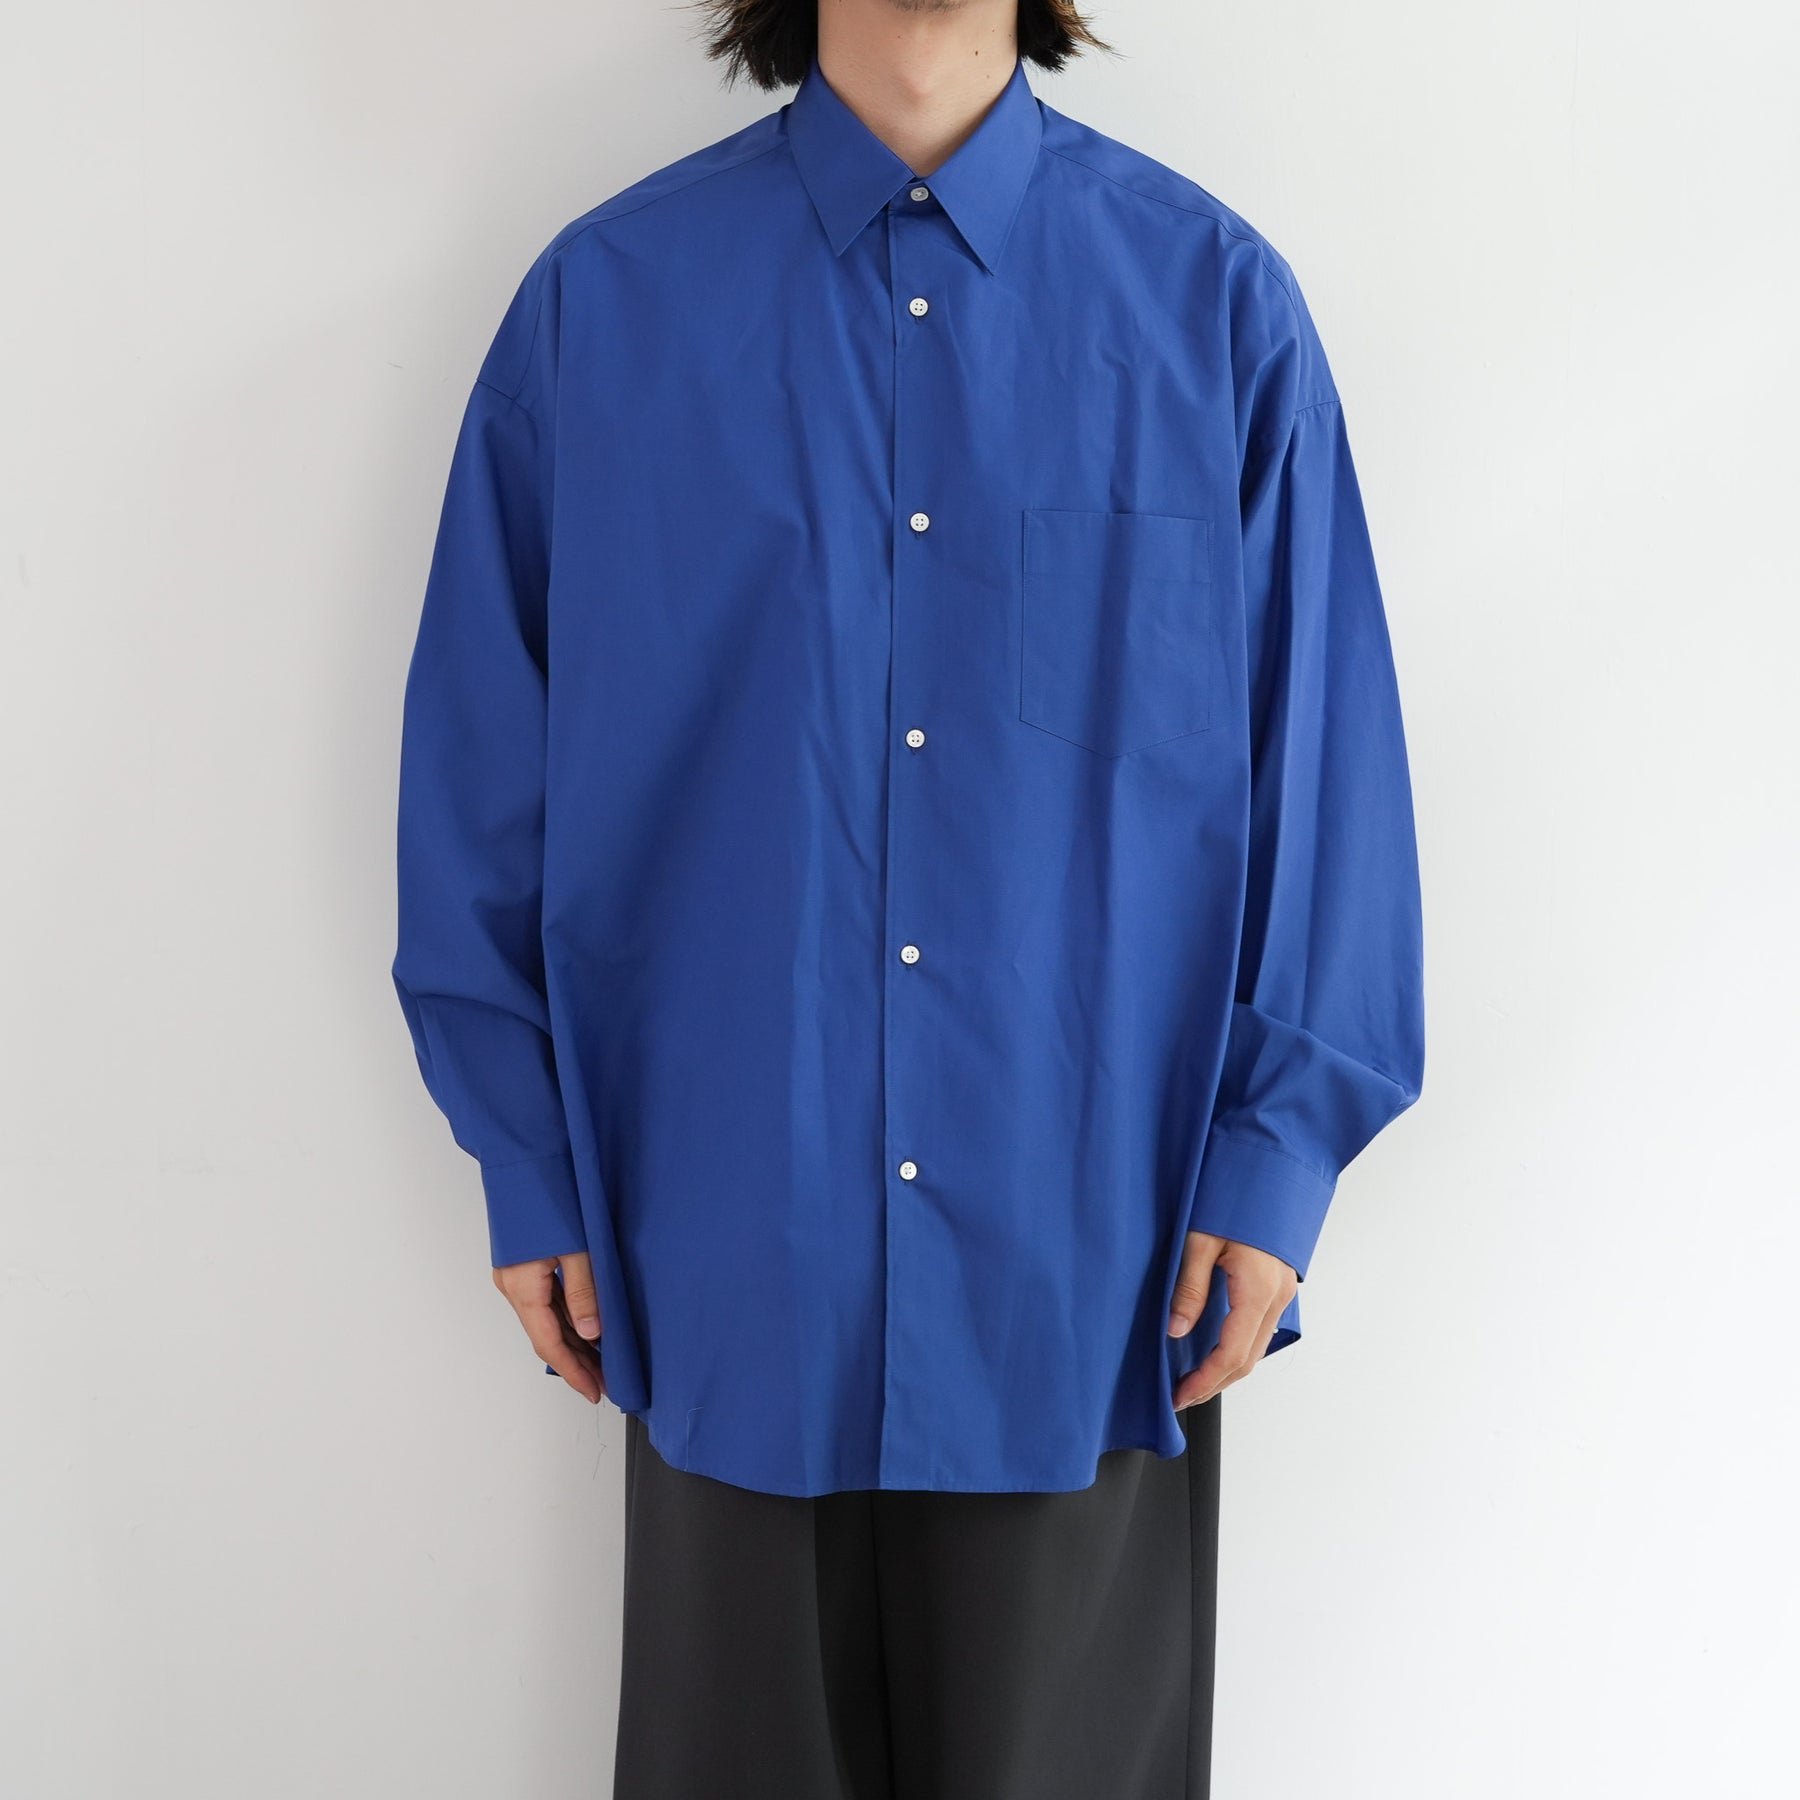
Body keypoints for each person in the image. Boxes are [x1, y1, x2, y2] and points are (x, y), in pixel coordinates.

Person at [390, 1, 1425, 1793]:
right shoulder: (605, 309)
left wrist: (1276, 1158)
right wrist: (526, 1153)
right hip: (722, 1268)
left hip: (1091, 1282)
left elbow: (1327, 765)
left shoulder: (1211, 308)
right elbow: (482, 767)